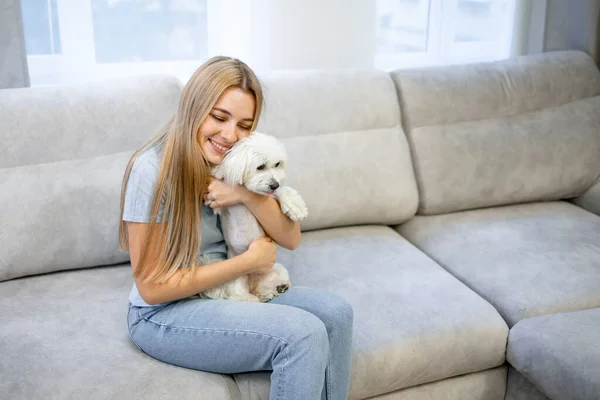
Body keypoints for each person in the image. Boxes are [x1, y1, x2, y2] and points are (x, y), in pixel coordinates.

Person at [118, 56, 354, 400]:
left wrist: (244, 195)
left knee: (336, 314)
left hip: (227, 290)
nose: (230, 135)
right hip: (164, 313)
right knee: (302, 334)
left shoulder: (239, 162)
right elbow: (153, 289)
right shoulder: (151, 170)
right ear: (193, 109)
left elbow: (291, 237)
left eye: (245, 124)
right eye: (218, 117)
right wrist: (248, 263)